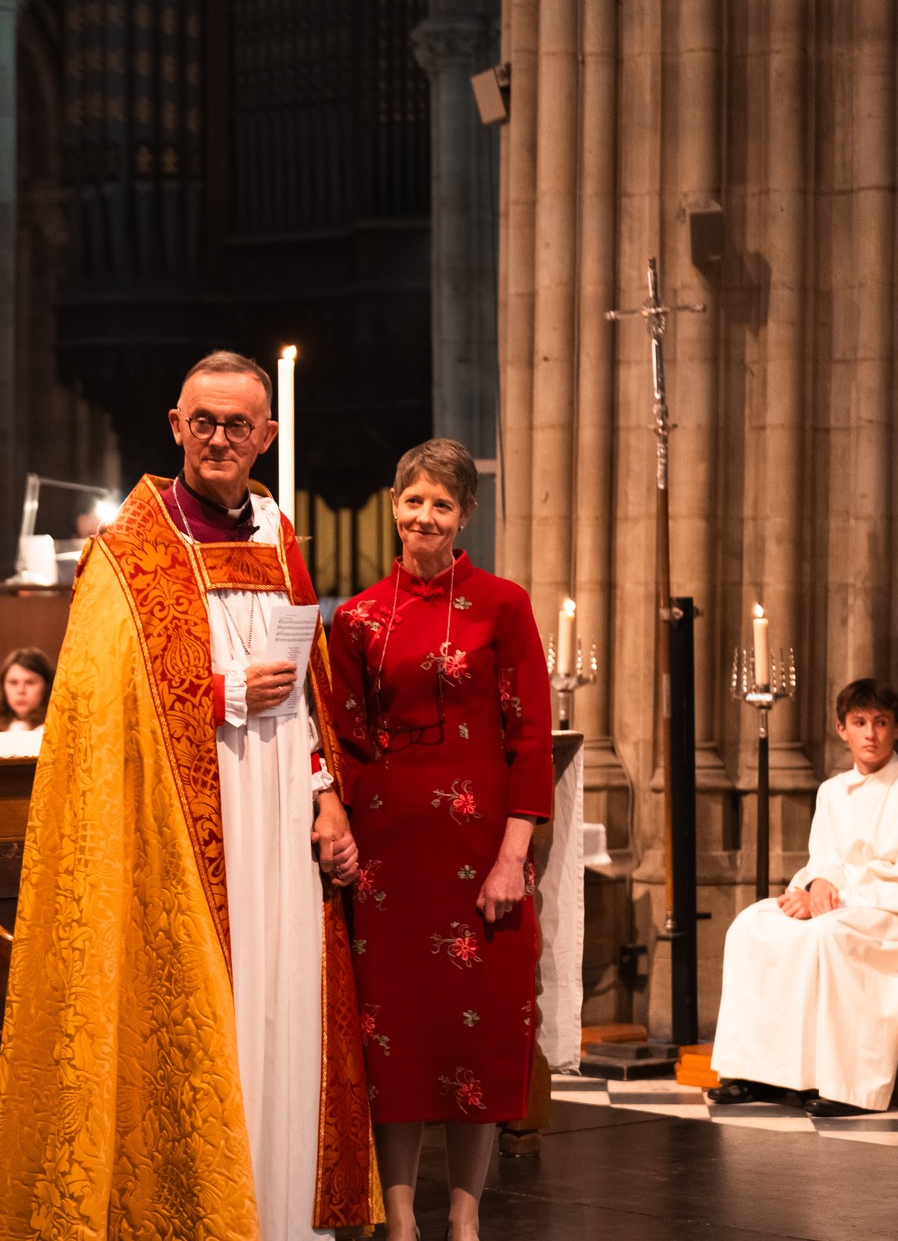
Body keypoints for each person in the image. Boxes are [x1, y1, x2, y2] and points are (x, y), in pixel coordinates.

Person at [0, 351, 377, 1239]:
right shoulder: (132, 551)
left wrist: (327, 795)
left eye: (239, 425)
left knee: (285, 1009)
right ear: (175, 425)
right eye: (204, 421)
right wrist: (224, 694)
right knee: (216, 1020)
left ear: (266, 437)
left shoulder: (282, 541)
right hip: (184, 829)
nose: (220, 440)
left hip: (281, 818)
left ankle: (280, 1216)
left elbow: (311, 691)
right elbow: (99, 705)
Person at [326, 439, 553, 1241]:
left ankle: (464, 1217)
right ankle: (398, 1218)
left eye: (442, 505)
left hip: (481, 847)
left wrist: (512, 857)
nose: (425, 517)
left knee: (477, 1033)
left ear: (465, 516)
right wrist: (337, 825)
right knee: (394, 1039)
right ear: (395, 505)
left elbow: (531, 736)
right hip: (388, 858)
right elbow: (347, 740)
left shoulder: (505, 603)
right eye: (414, 500)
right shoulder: (354, 616)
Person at [708, 679, 898, 1117]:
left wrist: (835, 894)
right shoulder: (831, 791)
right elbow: (823, 859)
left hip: (893, 912)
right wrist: (814, 887)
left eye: (881, 723)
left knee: (829, 936)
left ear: (897, 729)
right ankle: (754, 1073)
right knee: (752, 925)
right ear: (842, 729)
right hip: (837, 901)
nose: (870, 734)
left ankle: (849, 1087)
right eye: (859, 723)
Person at [0, 647, 52, 734]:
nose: (21, 690)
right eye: (13, 682)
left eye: (30, 682)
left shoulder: (54, 732)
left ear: (47, 686)